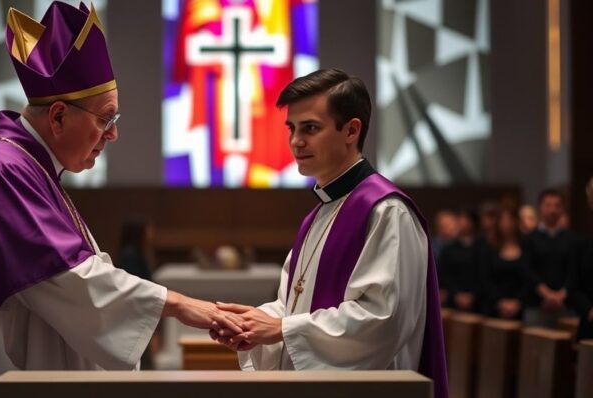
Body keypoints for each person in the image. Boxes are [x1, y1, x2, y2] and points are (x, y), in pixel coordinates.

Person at [0, 3, 241, 398]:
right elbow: (66, 279)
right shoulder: (1, 170)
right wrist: (179, 304)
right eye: (106, 119)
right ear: (59, 117)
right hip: (4, 374)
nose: (112, 135)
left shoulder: (28, 167)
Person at [210, 68, 447, 398]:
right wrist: (254, 322)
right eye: (291, 128)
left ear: (351, 130)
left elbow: (382, 320)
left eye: (310, 128)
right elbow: (293, 306)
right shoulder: (317, 216)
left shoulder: (385, 211)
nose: (296, 141)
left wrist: (281, 328)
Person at [522, 189, 576, 327]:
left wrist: (560, 295)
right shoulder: (529, 238)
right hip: (536, 304)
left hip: (565, 304)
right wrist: (546, 294)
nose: (552, 210)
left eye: (557, 206)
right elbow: (527, 270)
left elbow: (574, 270)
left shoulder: (571, 238)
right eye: (548, 205)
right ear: (540, 207)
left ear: (563, 209)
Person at [480, 205, 528, 319]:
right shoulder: (490, 249)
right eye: (503, 220)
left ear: (516, 222)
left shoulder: (526, 247)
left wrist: (518, 302)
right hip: (494, 307)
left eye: (510, 220)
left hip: (521, 307)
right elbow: (485, 278)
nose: (507, 224)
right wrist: (500, 302)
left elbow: (529, 278)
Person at [438, 209, 483, 312]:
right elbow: (445, 273)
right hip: (454, 299)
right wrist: (456, 293)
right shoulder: (449, 248)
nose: (462, 222)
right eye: (460, 219)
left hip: (477, 300)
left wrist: (472, 295)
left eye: (465, 219)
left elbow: (483, 274)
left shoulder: (482, 247)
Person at [566, 177, 593, 340]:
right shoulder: (580, 246)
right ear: (591, 204)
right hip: (590, 328)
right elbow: (572, 288)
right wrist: (589, 310)